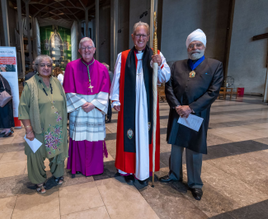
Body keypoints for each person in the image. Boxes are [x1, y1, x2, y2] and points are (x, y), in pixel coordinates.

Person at [160, 29, 224, 201]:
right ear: (187, 48)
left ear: (204, 46)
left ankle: (195, 183)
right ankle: (174, 174)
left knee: (194, 147)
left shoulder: (215, 65)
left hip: (198, 114)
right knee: (176, 144)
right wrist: (178, 107)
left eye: (198, 45)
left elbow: (213, 92)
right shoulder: (177, 65)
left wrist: (191, 108)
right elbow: (169, 87)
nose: (194, 48)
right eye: (191, 45)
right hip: (178, 112)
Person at [110, 21, 170, 185]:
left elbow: (165, 77)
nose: (141, 38)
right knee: (129, 134)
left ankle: (143, 170)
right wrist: (115, 98)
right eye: (138, 34)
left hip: (147, 105)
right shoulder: (122, 56)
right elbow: (116, 78)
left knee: (145, 134)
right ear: (132, 37)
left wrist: (159, 63)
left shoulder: (156, 54)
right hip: (129, 103)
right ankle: (127, 169)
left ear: (149, 37)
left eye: (144, 35)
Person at [19, 55, 68, 194]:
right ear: (37, 67)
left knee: (57, 153)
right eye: (42, 65)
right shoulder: (30, 85)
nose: (46, 68)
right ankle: (38, 180)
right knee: (36, 155)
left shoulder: (57, 83)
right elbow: (23, 108)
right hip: (38, 129)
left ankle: (58, 174)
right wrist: (29, 130)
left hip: (57, 128)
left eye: (49, 65)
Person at [63, 37, 110, 177]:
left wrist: (94, 104)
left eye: (89, 47)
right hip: (79, 110)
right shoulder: (71, 66)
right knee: (79, 138)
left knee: (94, 140)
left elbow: (105, 90)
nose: (87, 50)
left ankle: (95, 168)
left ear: (94, 49)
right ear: (79, 50)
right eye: (83, 48)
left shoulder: (102, 68)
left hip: (94, 110)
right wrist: (83, 103)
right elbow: (68, 90)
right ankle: (78, 166)